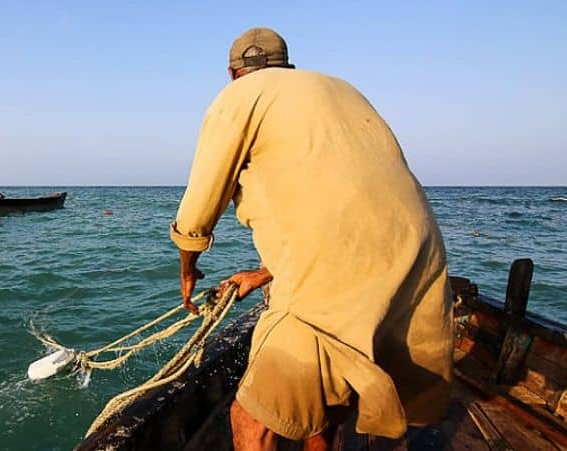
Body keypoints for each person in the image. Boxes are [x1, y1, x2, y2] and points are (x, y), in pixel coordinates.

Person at [170, 27, 453, 450]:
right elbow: (346, 209)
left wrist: (188, 268)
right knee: (327, 405)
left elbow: (199, 208)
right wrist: (266, 274)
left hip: (330, 278)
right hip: (419, 260)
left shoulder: (238, 97)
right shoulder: (343, 91)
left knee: (251, 421)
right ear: (287, 65)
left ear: (233, 72)